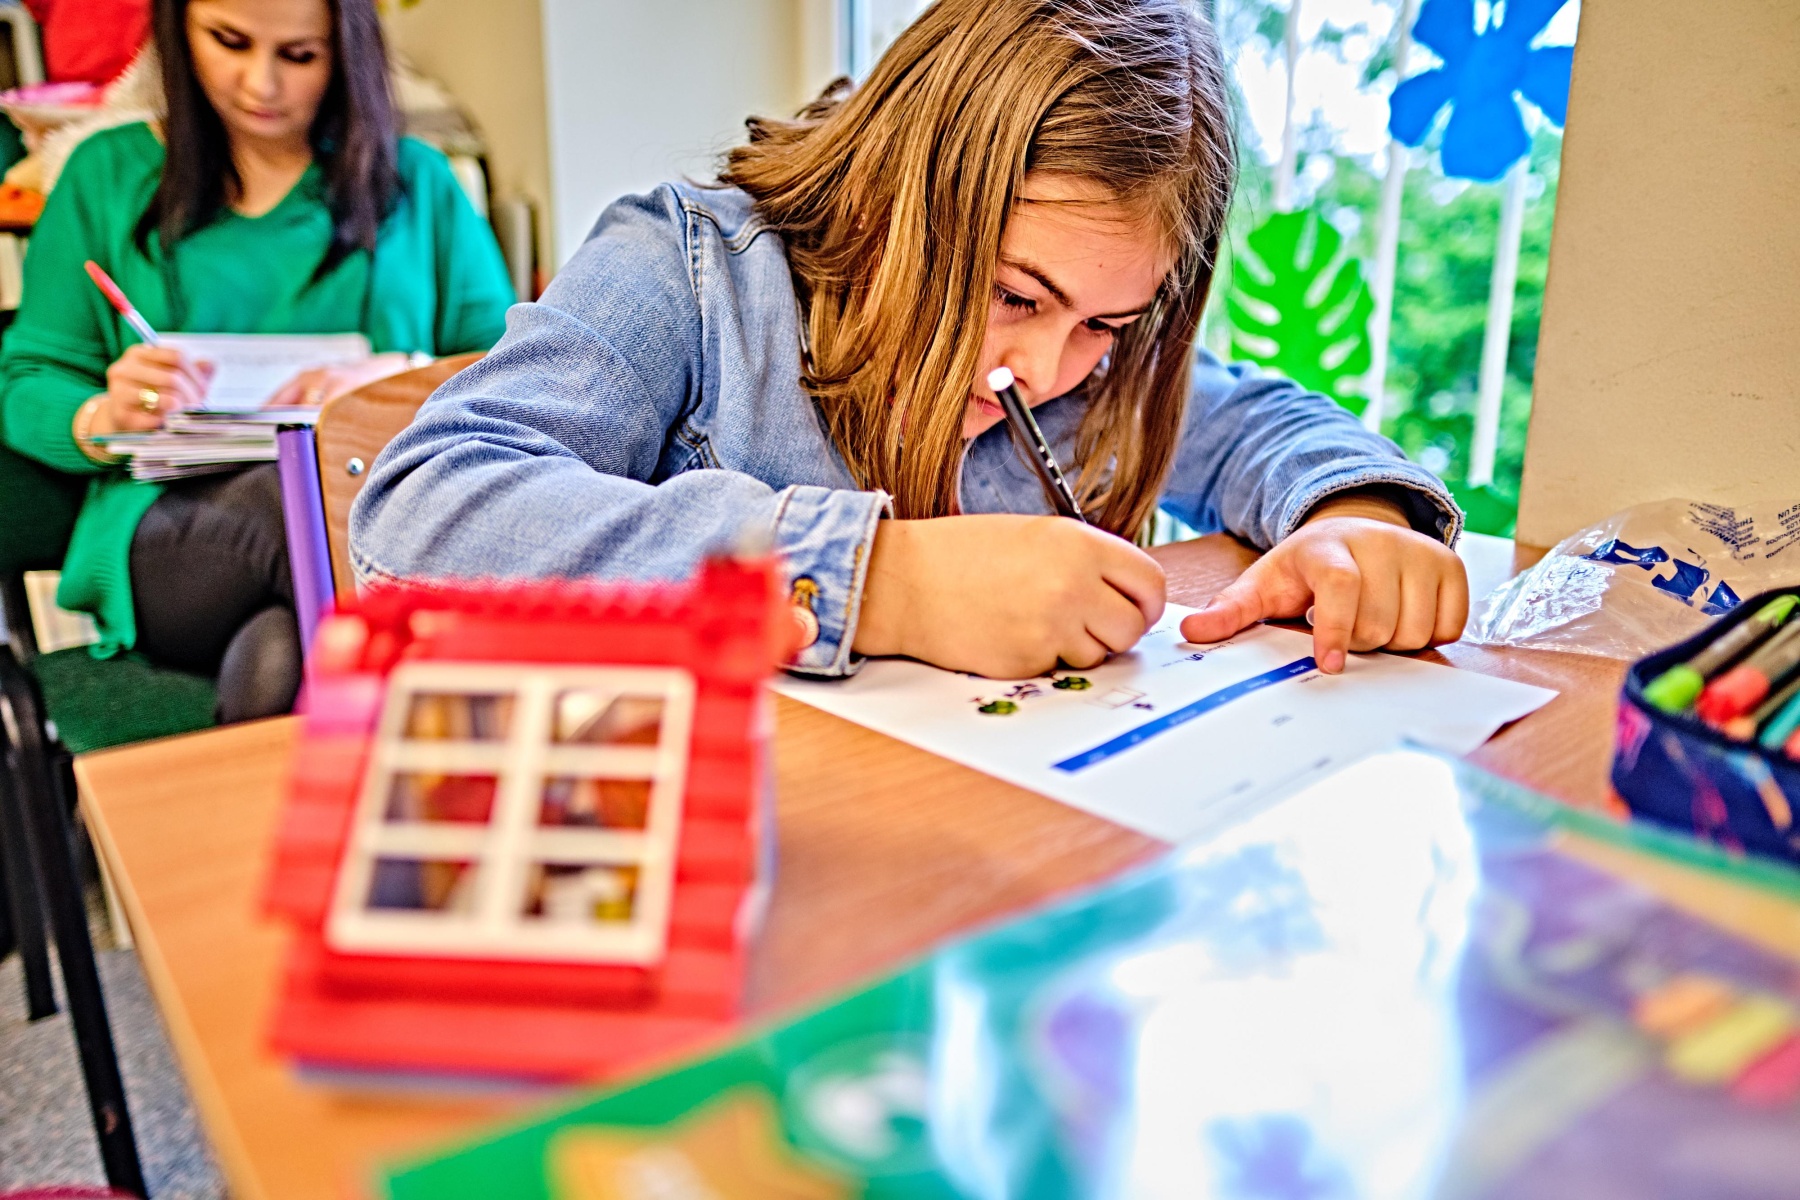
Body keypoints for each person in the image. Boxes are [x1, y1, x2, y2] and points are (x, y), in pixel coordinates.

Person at [352, 0, 1468, 682]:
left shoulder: (1088, 369)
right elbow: (423, 506)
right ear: (899, 195)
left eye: (1106, 324)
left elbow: (1257, 424)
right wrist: (881, 582)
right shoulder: (691, 271)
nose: (1046, 369)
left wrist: (1357, 517)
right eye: (1014, 295)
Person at [1, 0, 514, 720]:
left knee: (280, 657)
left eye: (299, 55)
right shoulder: (105, 175)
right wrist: (102, 415)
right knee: (296, 503)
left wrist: (394, 377)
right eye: (229, 42)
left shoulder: (421, 183)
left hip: (368, 504)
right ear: (179, 29)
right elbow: (26, 380)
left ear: (347, 52)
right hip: (172, 529)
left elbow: (507, 377)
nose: (260, 84)